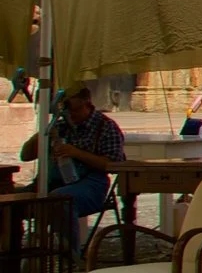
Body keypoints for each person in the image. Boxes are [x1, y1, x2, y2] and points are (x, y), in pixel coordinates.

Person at [18, 86, 124, 221]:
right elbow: (25, 156)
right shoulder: (61, 125)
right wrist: (42, 135)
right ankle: (12, 241)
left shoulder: (106, 127)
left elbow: (113, 165)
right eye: (68, 111)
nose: (72, 114)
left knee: (60, 200)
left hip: (90, 185)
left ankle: (67, 242)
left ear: (87, 103)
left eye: (77, 110)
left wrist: (76, 153)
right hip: (54, 182)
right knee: (8, 201)